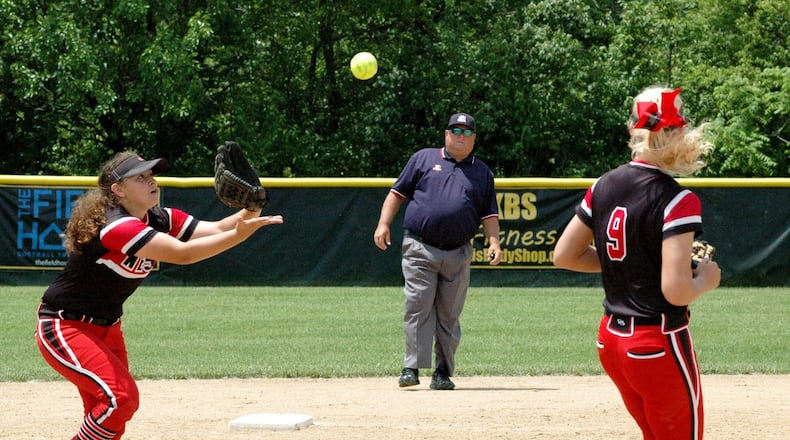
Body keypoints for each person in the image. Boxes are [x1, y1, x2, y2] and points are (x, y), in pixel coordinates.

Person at [35, 151, 283, 440]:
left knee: (113, 414)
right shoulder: (116, 225)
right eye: (140, 177)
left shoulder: (158, 218)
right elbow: (184, 254)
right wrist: (240, 235)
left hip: (108, 328)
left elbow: (215, 229)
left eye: (151, 175)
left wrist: (253, 207)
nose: (151, 181)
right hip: (66, 326)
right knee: (121, 400)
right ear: (118, 189)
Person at [553, 86, 721, 439]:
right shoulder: (678, 199)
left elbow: (564, 255)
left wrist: (629, 260)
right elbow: (676, 291)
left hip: (610, 343)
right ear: (678, 132)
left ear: (633, 128)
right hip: (656, 341)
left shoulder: (603, 185)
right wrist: (706, 280)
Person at [374, 112, 502, 390]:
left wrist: (494, 242)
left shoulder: (482, 172)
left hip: (458, 251)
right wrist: (384, 224)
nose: (461, 136)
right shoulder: (423, 158)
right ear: (446, 134)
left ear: (474, 139)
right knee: (418, 305)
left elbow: (489, 214)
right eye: (456, 130)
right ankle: (411, 368)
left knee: (448, 314)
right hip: (420, 246)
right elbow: (396, 194)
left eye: (468, 132)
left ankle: (442, 372)